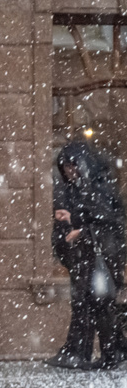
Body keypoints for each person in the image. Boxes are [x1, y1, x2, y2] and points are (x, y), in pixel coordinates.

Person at [46, 141, 127, 370]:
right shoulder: (79, 188)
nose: (69, 172)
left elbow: (110, 221)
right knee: (89, 304)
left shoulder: (99, 187)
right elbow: (91, 216)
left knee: (100, 304)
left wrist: (81, 231)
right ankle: (99, 352)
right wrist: (69, 219)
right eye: (65, 168)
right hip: (87, 260)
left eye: (72, 166)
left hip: (101, 259)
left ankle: (108, 353)